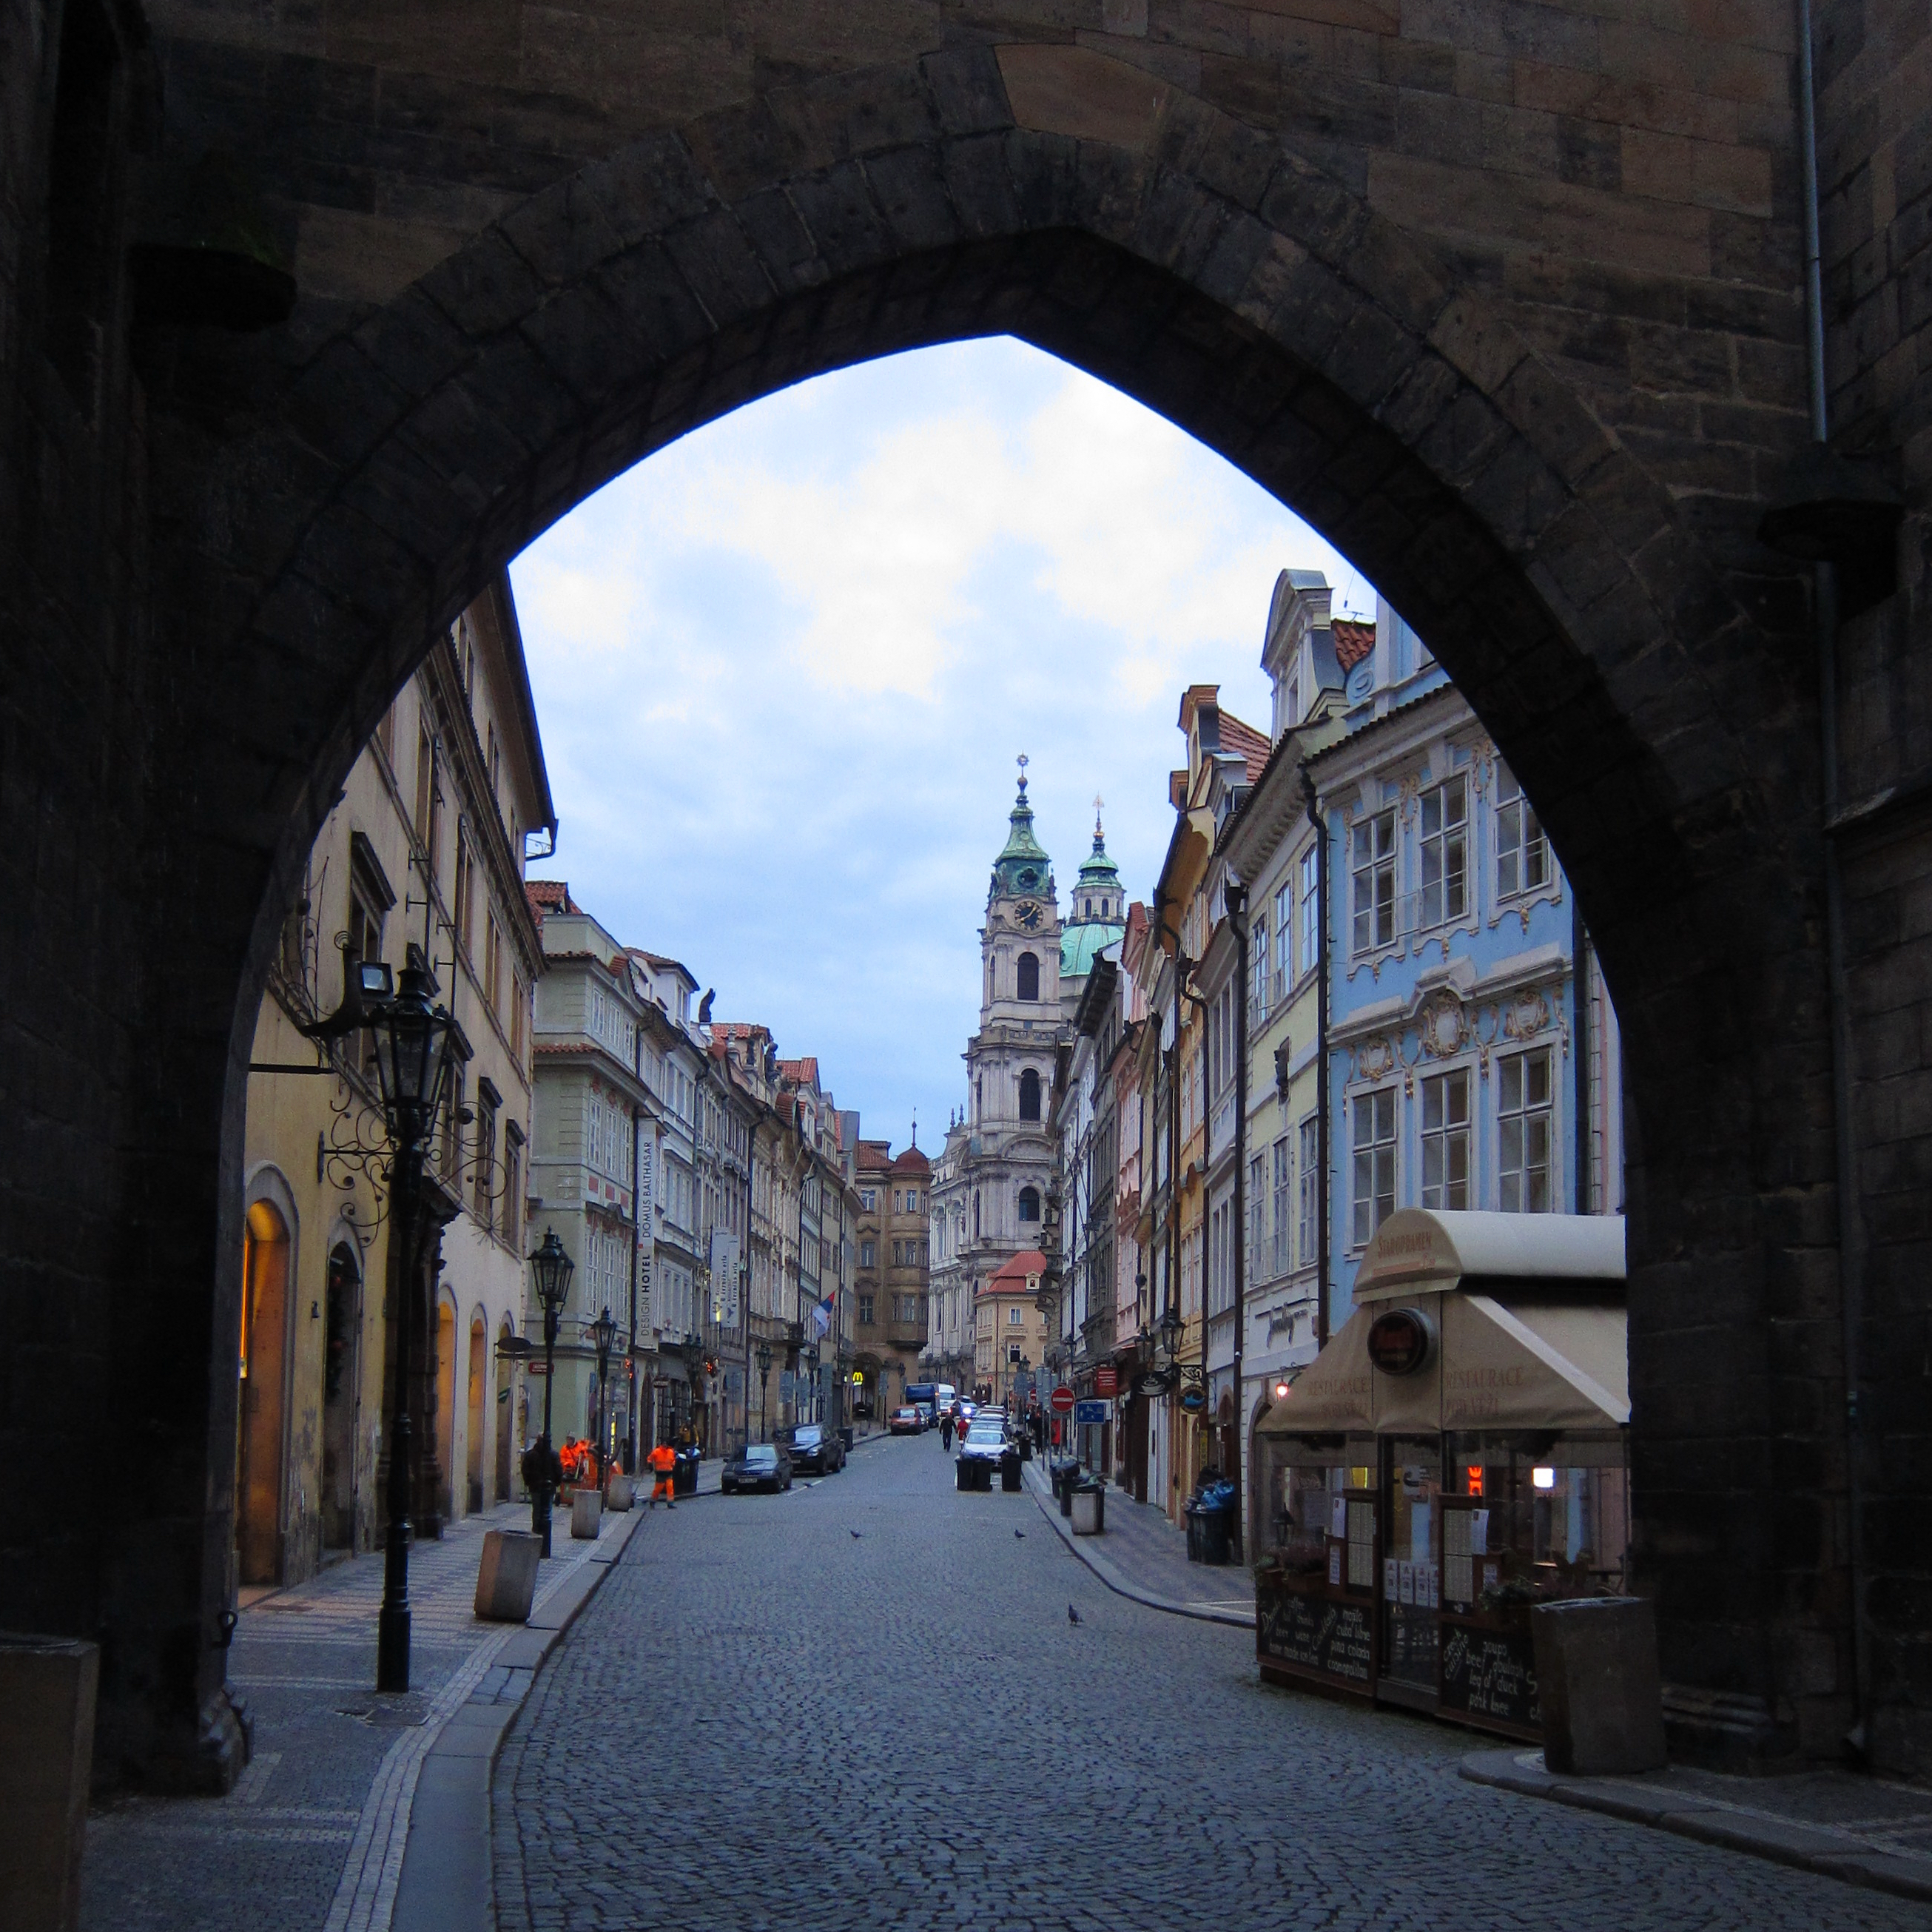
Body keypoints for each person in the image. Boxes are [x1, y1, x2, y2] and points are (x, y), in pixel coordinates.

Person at [647, 1436, 678, 1509]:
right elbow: (650, 1458)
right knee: (658, 1488)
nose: (665, 1445)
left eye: (666, 1444)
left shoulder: (670, 1452)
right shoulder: (657, 1451)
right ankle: (653, 1500)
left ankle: (670, 1503)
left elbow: (673, 1460)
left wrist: (673, 1464)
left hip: (668, 1472)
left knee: (670, 1487)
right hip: (660, 1473)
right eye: (664, 1443)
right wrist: (650, 1465)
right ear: (661, 1444)